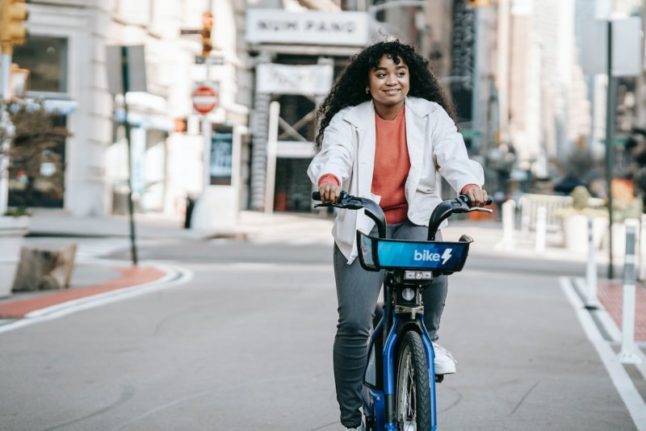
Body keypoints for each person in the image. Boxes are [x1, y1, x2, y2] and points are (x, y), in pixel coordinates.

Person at [307, 40, 487, 431]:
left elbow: (453, 155)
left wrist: (469, 184)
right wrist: (330, 179)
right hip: (364, 225)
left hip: (413, 218)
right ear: (367, 82)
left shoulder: (430, 115)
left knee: (436, 256)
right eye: (382, 73)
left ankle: (428, 340)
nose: (392, 81)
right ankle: (351, 406)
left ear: (411, 78)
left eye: (400, 73)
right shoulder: (349, 119)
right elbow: (333, 154)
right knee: (354, 322)